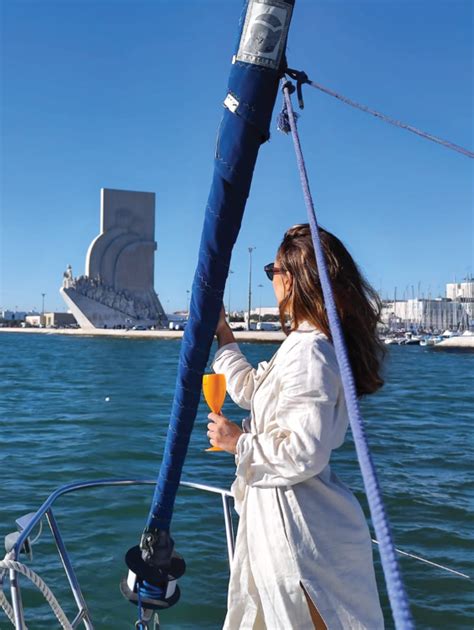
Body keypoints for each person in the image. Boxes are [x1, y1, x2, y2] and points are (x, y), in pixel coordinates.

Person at [207, 224, 385, 630]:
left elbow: (305, 450)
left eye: (273, 271)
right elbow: (255, 391)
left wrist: (240, 444)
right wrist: (224, 334)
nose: (271, 280)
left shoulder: (311, 351)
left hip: (303, 530)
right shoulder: (306, 344)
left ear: (292, 278)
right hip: (288, 521)